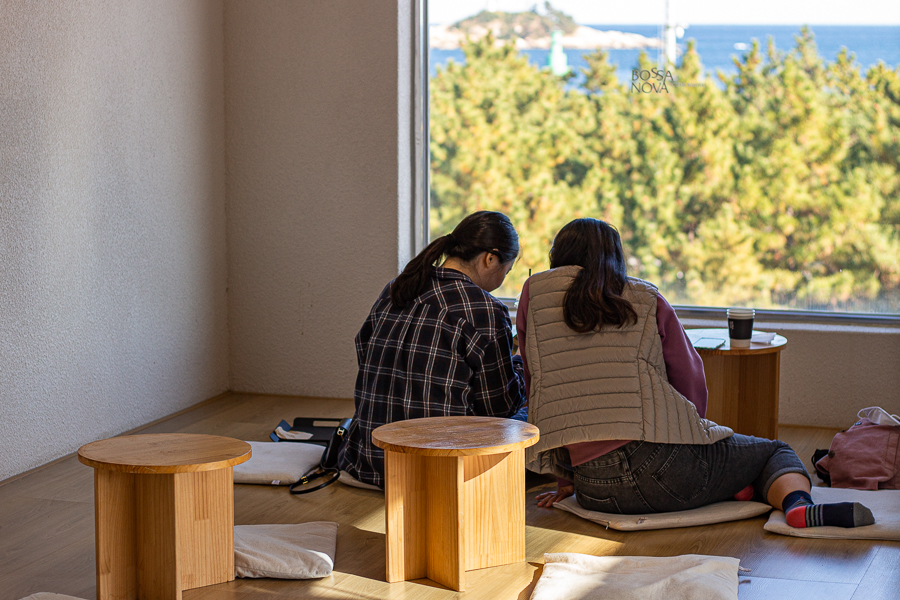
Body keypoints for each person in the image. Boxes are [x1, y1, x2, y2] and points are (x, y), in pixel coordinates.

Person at [517, 218, 874, 529]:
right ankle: (797, 509)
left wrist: (569, 479)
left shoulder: (532, 296)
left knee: (730, 466)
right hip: (663, 471)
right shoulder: (645, 297)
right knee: (773, 452)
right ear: (614, 258)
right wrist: (696, 435)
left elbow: (540, 387)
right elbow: (690, 380)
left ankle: (738, 487)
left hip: (593, 489)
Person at [339, 211, 527, 489]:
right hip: (436, 470)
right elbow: (499, 407)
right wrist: (522, 366)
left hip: (367, 460)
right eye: (506, 271)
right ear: (490, 259)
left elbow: (364, 353)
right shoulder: (484, 308)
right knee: (524, 415)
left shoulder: (397, 288)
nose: (501, 282)